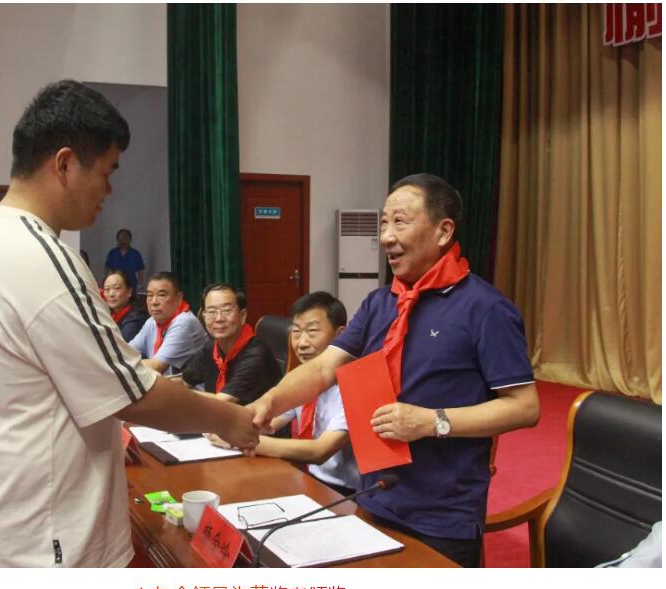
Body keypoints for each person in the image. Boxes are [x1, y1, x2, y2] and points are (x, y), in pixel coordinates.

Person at [0, 80, 259, 568]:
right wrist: (229, 419)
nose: (109, 191)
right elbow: (137, 396)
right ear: (65, 164)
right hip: (40, 542)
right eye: (107, 173)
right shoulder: (43, 259)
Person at [248, 173, 540, 567]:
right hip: (374, 492)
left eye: (400, 222)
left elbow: (524, 407)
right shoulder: (380, 304)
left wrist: (431, 422)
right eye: (383, 223)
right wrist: (267, 402)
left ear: (443, 231)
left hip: (441, 513)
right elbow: (321, 370)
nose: (386, 237)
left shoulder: (486, 309)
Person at [208, 291, 360, 496]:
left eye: (312, 332)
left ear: (340, 335)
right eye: (296, 332)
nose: (302, 343)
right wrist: (229, 427)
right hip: (305, 478)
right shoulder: (300, 379)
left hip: (345, 492)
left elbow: (320, 451)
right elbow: (268, 420)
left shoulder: (354, 385)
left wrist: (239, 440)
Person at [181, 283, 281, 405]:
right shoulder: (210, 348)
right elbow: (184, 381)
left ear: (242, 316)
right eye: (211, 311)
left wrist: (174, 393)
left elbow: (222, 402)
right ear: (204, 317)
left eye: (227, 310)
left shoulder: (256, 355)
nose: (219, 318)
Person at [129, 272, 208, 375]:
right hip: (165, 383)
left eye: (161, 295)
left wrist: (120, 365)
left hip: (188, 385)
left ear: (179, 298)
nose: (154, 302)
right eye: (150, 295)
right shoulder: (152, 322)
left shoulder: (184, 322)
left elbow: (156, 367)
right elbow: (126, 353)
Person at [103, 269, 147, 342]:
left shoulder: (136, 318)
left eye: (117, 288)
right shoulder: (108, 314)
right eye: (107, 289)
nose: (111, 294)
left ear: (129, 291)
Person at [104, 228, 145, 295]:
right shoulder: (112, 253)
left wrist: (140, 285)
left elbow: (140, 270)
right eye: (120, 238)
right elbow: (108, 269)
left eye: (125, 238)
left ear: (130, 239)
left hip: (131, 285)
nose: (123, 240)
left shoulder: (135, 253)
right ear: (118, 240)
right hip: (116, 285)